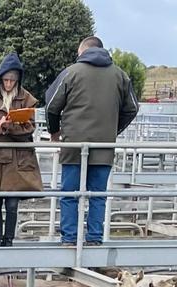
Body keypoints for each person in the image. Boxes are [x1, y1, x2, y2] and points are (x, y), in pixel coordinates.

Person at [45, 36, 139, 246]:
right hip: (104, 146)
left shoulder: (71, 72)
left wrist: (54, 132)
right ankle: (95, 238)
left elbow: (51, 105)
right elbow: (132, 107)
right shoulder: (120, 75)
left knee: (70, 194)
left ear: (82, 51)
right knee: (98, 195)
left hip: (73, 145)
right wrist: (114, 129)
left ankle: (69, 239)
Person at [0, 52, 42, 247]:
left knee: (12, 202)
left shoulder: (28, 99)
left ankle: (9, 240)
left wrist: (9, 126)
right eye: (5, 80)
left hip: (17, 157)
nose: (8, 84)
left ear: (18, 80)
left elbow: (30, 127)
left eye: (12, 80)